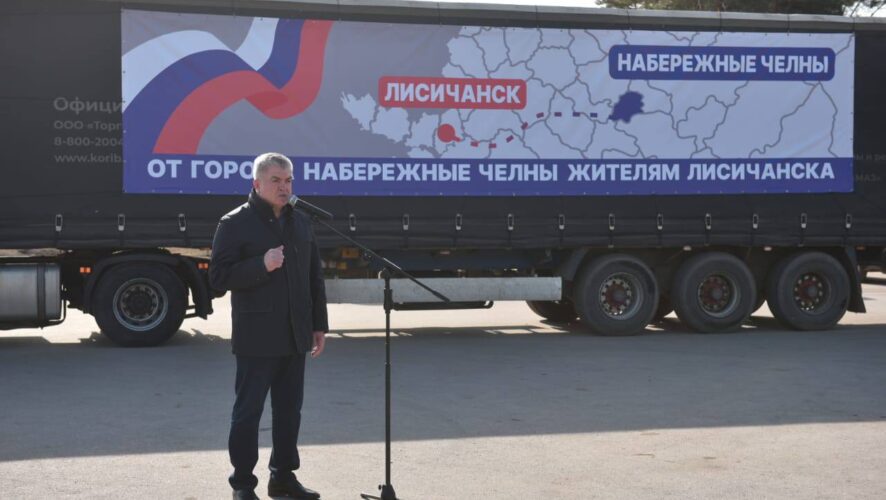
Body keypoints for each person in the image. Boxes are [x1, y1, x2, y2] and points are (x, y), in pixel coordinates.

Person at [210, 152, 328, 500]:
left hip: (295, 333)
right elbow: (218, 278)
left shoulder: (301, 222)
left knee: (289, 412)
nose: (284, 187)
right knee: (248, 413)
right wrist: (261, 264)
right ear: (257, 183)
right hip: (257, 337)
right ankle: (243, 484)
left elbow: (314, 277)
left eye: (288, 180)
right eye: (276, 180)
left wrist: (318, 325)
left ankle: (283, 477)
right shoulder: (234, 223)